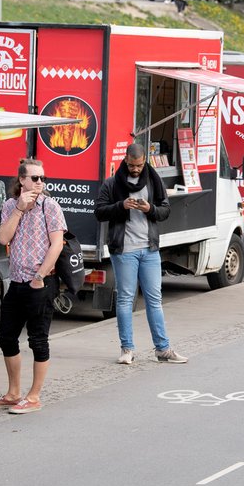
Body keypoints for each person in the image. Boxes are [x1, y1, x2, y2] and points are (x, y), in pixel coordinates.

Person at [0, 158, 65, 414]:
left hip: (41, 282)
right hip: (16, 281)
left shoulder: (49, 206)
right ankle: (13, 392)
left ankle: (34, 395)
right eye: (35, 178)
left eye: (43, 178)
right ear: (22, 180)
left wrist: (40, 276)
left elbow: (57, 244)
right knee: (6, 336)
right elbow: (3, 238)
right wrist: (19, 209)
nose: (40, 183)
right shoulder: (10, 205)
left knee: (38, 339)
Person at [94, 143, 188, 364]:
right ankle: (127, 350)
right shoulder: (111, 183)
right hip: (124, 250)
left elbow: (165, 210)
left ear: (145, 160)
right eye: (131, 165)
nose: (135, 169)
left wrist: (150, 209)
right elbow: (99, 212)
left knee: (155, 299)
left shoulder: (154, 181)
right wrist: (121, 205)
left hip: (149, 250)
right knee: (126, 299)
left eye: (139, 165)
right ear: (125, 160)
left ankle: (163, 350)